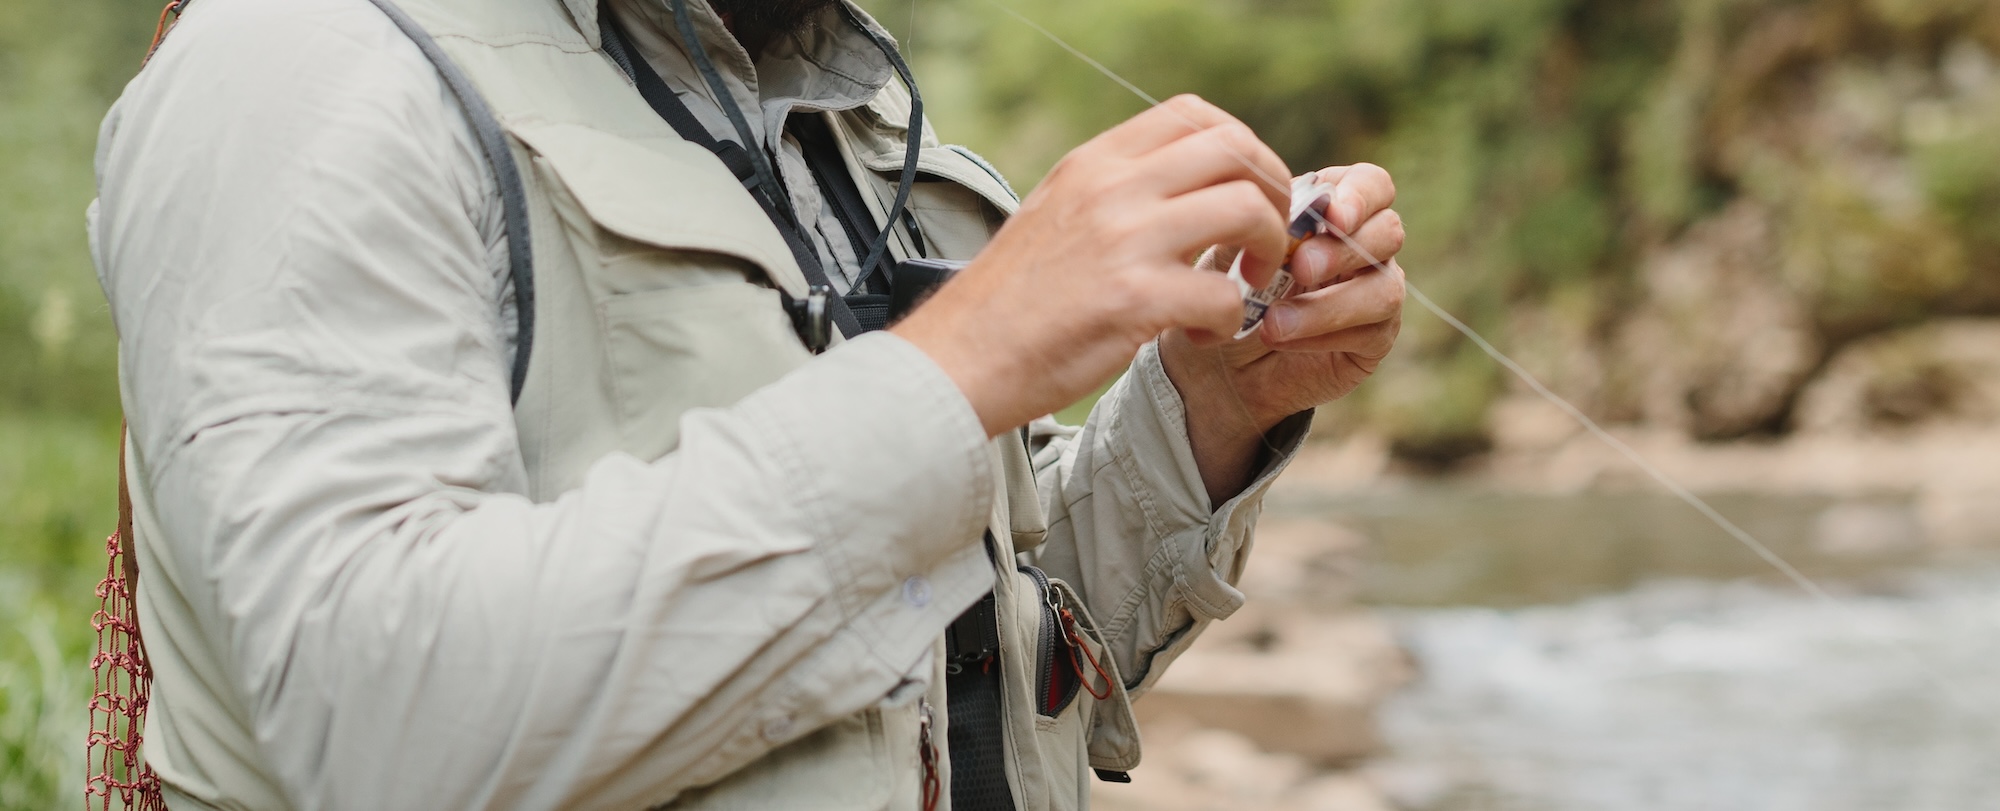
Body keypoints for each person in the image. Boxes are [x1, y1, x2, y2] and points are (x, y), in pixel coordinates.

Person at [88, 0, 1406, 807]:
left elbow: (961, 651)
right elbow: (382, 735)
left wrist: (1209, 408)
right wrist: (960, 364)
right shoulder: (295, 65)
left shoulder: (841, 116)